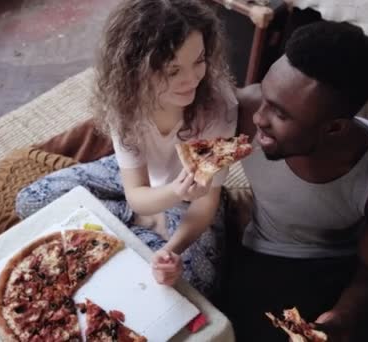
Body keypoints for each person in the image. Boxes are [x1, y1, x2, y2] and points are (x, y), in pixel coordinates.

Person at [15, 0, 238, 300]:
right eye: (172, 70)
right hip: (142, 185)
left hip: (190, 204)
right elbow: (137, 194)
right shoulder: (124, 103)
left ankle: (131, 228)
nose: (191, 79)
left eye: (199, 60)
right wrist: (165, 198)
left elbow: (204, 206)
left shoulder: (218, 107)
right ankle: (144, 225)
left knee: (198, 284)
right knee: (29, 201)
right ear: (136, 72)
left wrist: (167, 254)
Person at [224, 21, 368, 341]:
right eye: (265, 96)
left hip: (340, 260)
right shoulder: (243, 109)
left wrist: (342, 316)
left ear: (334, 128)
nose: (258, 119)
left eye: (281, 114)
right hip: (265, 253)